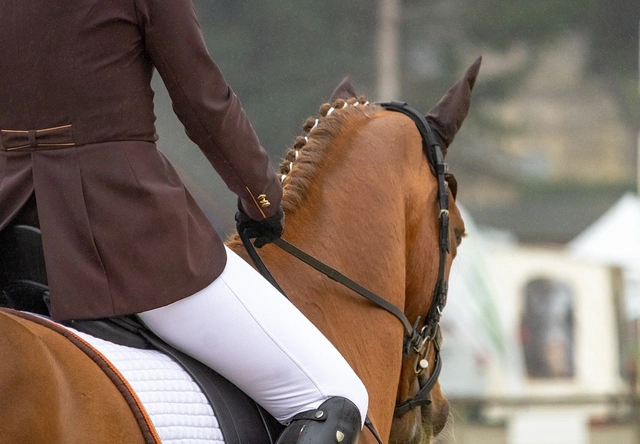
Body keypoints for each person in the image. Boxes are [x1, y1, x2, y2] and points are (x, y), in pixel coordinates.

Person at [0, 1, 368, 443]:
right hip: (124, 232)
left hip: (10, 226)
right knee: (334, 395)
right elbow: (202, 102)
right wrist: (262, 198)